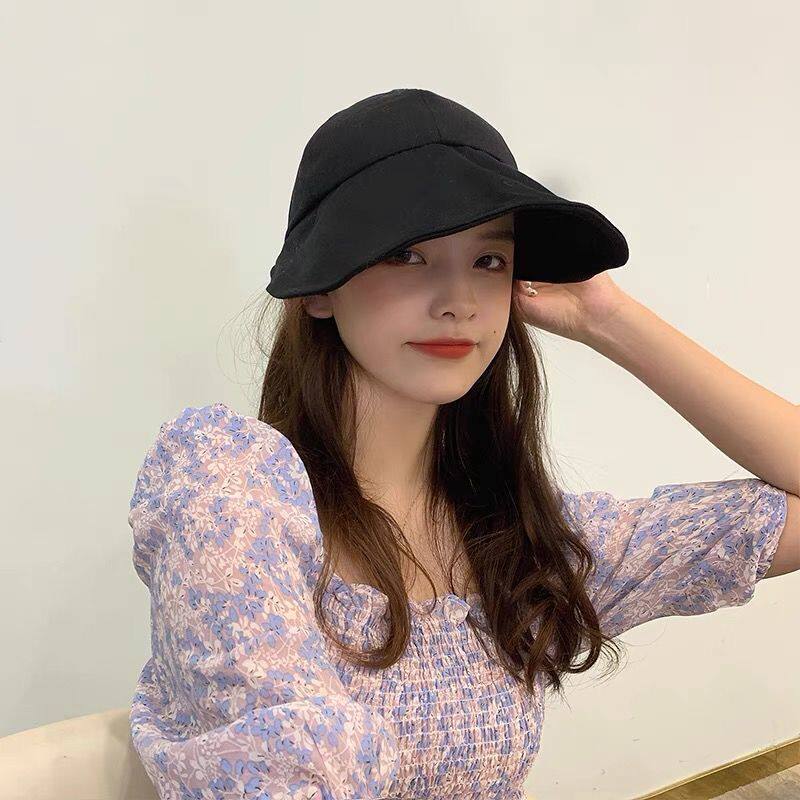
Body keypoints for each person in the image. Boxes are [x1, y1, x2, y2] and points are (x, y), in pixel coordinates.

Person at [125, 91, 796, 800]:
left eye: (489, 260)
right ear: (318, 286)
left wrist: (606, 317)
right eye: (406, 253)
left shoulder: (524, 544)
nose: (458, 299)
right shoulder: (229, 489)